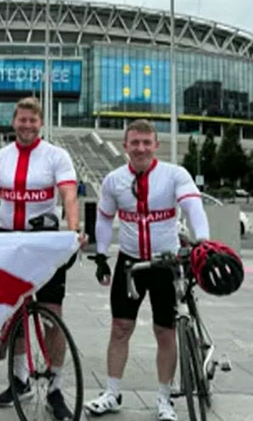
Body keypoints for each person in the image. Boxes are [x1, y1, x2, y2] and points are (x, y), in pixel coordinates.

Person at [84, 119, 210, 421]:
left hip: (165, 263)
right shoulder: (114, 180)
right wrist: (101, 255)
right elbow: (104, 219)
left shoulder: (174, 175)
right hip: (130, 263)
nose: (140, 148)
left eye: (146, 142)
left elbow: (193, 206)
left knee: (165, 331)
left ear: (156, 145)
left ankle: (165, 399)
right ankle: (112, 393)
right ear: (126, 146)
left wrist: (203, 242)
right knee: (119, 329)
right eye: (134, 142)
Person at [0, 96, 86, 421]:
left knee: (52, 316)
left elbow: (69, 194)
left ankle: (55, 387)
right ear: (14, 122)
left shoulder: (56, 155)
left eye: (32, 121)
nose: (27, 125)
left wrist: (72, 231)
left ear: (41, 123)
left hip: (43, 243)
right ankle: (19, 379)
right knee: (15, 314)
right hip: (8, 241)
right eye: (22, 120)